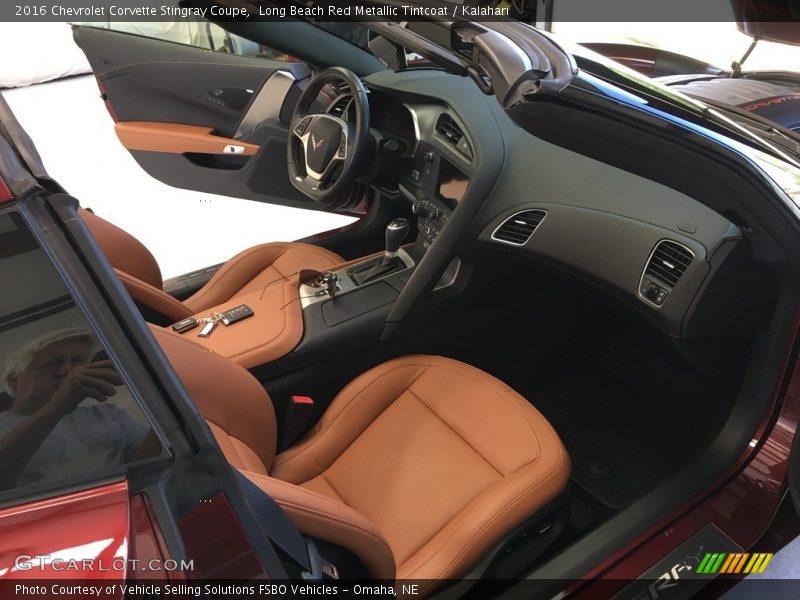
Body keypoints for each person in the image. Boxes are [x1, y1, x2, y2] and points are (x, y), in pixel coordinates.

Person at [0, 329, 158, 491]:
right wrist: (56, 407)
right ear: (14, 381)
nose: (68, 371)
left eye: (77, 361)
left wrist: (162, 402)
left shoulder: (109, 414)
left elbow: (148, 468)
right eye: (54, 363)